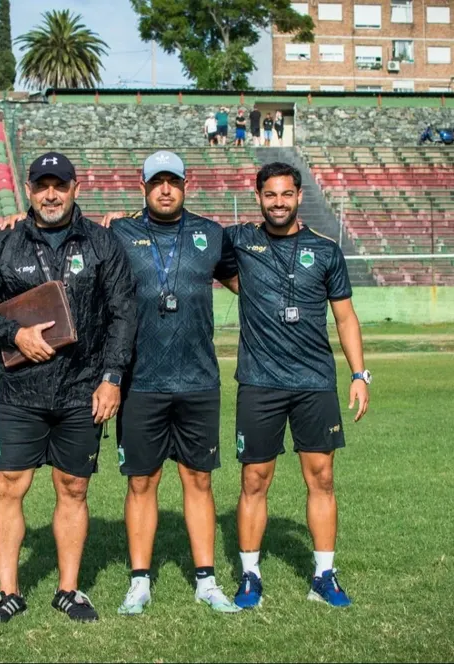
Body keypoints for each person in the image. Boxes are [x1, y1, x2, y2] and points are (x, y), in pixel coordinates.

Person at [0, 152, 136, 625]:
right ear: (29, 189)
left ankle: (69, 590)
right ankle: (6, 592)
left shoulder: (103, 243)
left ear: (76, 187)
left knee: (74, 488)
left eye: (59, 185)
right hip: (20, 391)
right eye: (42, 186)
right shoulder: (4, 242)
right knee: (6, 488)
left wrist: (112, 377)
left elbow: (123, 313)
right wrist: (13, 335)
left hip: (83, 390)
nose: (51, 194)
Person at [95, 151, 242, 615]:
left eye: (172, 181)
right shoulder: (118, 233)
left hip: (199, 381)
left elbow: (252, 281)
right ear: (142, 186)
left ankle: (206, 580)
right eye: (156, 181)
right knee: (142, 482)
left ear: (185, 184)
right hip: (140, 382)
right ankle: (140, 582)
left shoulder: (211, 234)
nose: (165, 189)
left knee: (198, 479)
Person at [224, 162, 370, 610]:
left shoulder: (325, 251)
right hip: (259, 382)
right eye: (270, 195)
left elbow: (345, 316)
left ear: (300, 196)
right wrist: (122, 219)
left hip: (314, 382)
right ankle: (250, 577)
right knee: (254, 479)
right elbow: (184, 232)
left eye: (286, 194)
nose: (279, 202)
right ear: (258, 197)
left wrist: (360, 374)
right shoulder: (239, 240)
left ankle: (324, 575)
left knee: (322, 477)